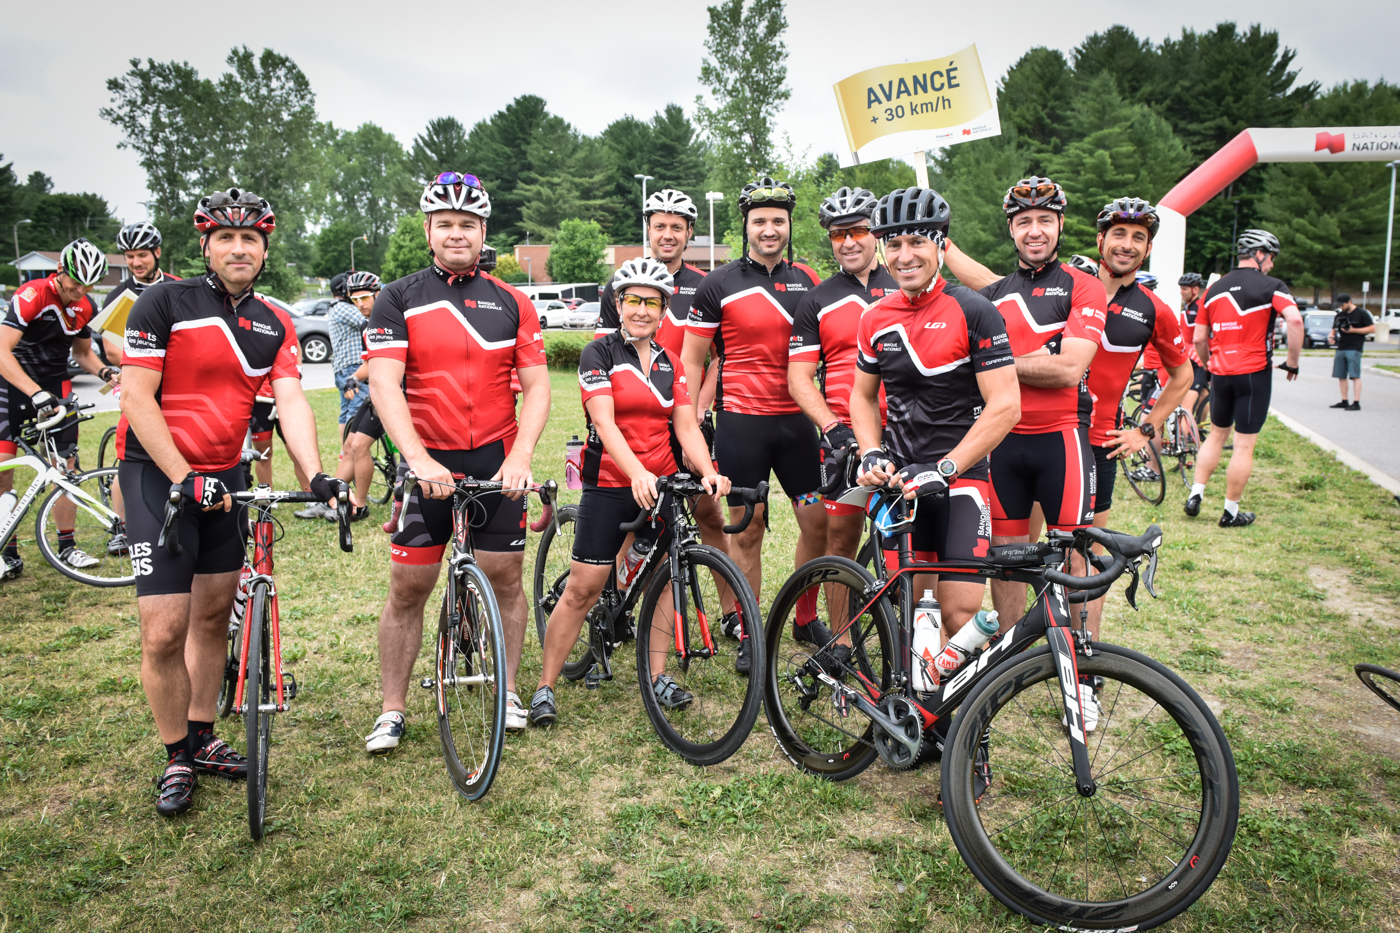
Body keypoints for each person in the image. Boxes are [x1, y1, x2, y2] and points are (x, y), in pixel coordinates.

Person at [117, 188, 337, 815]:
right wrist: (183, 476)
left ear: (265, 249)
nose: (238, 248)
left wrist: (316, 474)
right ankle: (176, 755)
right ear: (206, 245)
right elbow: (136, 397)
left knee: (214, 616)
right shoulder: (165, 302)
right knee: (164, 631)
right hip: (157, 478)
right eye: (226, 238)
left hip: (226, 478)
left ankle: (204, 735)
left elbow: (291, 399)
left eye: (251, 239)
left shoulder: (273, 320)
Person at [364, 172, 549, 750]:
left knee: (506, 579)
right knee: (408, 586)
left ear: (482, 231)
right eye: (444, 224)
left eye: (466, 224)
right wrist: (417, 460)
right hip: (429, 463)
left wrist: (520, 456)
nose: (456, 233)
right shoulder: (398, 297)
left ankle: (510, 688)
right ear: (428, 231)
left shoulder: (511, 301)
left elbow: (538, 387)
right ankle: (392, 707)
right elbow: (385, 385)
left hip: (497, 460)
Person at [530, 259, 729, 726]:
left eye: (652, 302)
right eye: (633, 300)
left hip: (659, 485)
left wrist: (708, 470)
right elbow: (604, 421)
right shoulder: (599, 354)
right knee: (584, 588)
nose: (642, 310)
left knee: (663, 579)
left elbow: (686, 426)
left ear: (664, 310)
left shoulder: (673, 363)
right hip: (610, 484)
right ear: (619, 305)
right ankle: (545, 686)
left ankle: (657, 674)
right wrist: (636, 471)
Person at [852, 186, 1019, 653]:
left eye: (917, 242)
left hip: (962, 480)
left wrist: (945, 469)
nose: (904, 256)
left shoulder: (975, 310)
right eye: (894, 244)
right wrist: (870, 449)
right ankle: (913, 713)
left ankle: (966, 723)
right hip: (902, 481)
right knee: (911, 610)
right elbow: (862, 398)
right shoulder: (874, 317)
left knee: (960, 614)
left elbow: (1006, 405)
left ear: (941, 246)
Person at [943, 177, 1107, 626]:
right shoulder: (996, 294)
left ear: (1060, 225)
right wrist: (1037, 356)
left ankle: (1083, 667)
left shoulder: (1084, 286)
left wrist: (997, 362)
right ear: (1011, 229)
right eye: (1024, 222)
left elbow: (1069, 369)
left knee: (1075, 558)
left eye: (1045, 221)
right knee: (1006, 559)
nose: (1035, 230)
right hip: (1003, 444)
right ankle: (1011, 661)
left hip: (1062, 441)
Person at [680, 176, 825, 674]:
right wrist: (689, 414)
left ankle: (805, 618)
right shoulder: (717, 283)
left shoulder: (808, 279)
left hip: (798, 426)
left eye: (778, 221)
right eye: (759, 220)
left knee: (817, 522)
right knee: (747, 529)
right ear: (745, 225)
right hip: (742, 425)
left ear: (789, 225)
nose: (769, 229)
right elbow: (692, 360)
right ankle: (748, 629)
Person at [594, 189, 733, 594]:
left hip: (687, 419)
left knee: (709, 514)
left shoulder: (706, 286)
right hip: (635, 421)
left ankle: (730, 612)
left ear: (690, 231)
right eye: (659, 226)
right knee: (632, 515)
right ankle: (618, 603)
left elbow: (719, 359)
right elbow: (604, 355)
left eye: (676, 227)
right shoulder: (619, 286)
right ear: (648, 230)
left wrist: (699, 407)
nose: (667, 234)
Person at [1078, 199, 1190, 672]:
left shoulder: (1153, 309)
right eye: (1118, 235)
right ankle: (1014, 657)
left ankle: (1084, 667)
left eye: (1138, 238)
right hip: (1038, 435)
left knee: (1087, 557)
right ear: (1100, 239)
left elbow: (1181, 376)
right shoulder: (1067, 283)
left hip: (1099, 444)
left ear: (1147, 248)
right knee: (1018, 548)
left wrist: (1145, 430)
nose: (1127, 245)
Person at [788, 186, 897, 573]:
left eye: (858, 231)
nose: (848, 242)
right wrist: (832, 427)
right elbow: (799, 378)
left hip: (905, 431)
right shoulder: (817, 299)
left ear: (877, 233)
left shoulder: (907, 286)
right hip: (843, 435)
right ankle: (842, 635)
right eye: (838, 234)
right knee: (841, 538)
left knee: (905, 539)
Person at [0, 238, 118, 579]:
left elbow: (82, 354)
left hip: (56, 387)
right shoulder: (33, 294)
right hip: (14, 384)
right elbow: (2, 352)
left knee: (65, 470)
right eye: (75, 282)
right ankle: (8, 550)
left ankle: (67, 546)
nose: (80, 290)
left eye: (88, 284)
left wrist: (104, 371)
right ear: (60, 272)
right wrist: (34, 392)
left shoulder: (84, 306)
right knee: (5, 466)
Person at [1186, 229, 1303, 526]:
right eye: (1271, 257)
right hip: (1254, 373)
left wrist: (1210, 361)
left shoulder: (1213, 289)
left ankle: (1195, 494)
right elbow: (1295, 320)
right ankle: (1230, 512)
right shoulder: (1272, 285)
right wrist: (1292, 363)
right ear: (1260, 254)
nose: (1273, 265)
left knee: (1215, 435)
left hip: (1221, 373)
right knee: (1243, 444)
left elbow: (1199, 337)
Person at [329, 270, 382, 520]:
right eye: (355, 300)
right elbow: (370, 362)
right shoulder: (365, 326)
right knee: (350, 444)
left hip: (398, 397)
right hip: (376, 395)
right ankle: (333, 499)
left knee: (359, 445)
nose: (360, 304)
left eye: (365, 298)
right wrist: (354, 377)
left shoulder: (391, 320)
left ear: (378, 294)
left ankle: (359, 506)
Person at [1328, 294, 1374, 410]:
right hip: (1341, 347)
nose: (1341, 307)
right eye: (1339, 305)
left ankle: (1356, 402)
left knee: (1354, 375)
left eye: (1343, 305)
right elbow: (1334, 328)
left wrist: (1354, 330)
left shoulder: (1361, 313)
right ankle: (1344, 400)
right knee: (1341, 375)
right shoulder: (1340, 315)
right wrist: (1331, 335)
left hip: (1354, 347)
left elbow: (1372, 328)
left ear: (1349, 302)